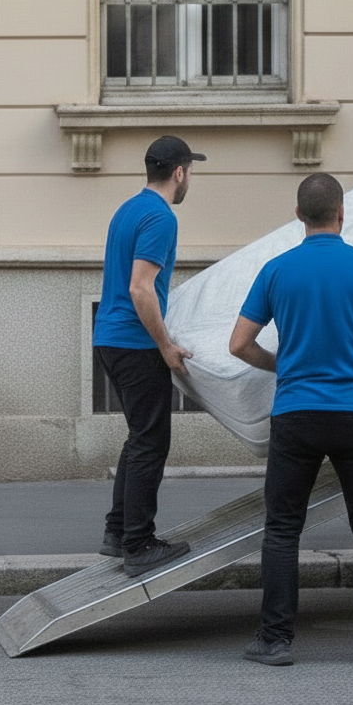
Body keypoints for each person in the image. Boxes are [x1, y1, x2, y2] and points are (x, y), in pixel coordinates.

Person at [229, 173, 353, 666]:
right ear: (342, 214)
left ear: (299, 216)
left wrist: (285, 363)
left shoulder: (276, 270)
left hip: (296, 412)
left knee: (283, 529)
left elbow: (238, 344)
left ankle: (274, 640)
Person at [93, 135, 206, 577]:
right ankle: (138, 545)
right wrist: (165, 345)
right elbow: (141, 287)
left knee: (139, 437)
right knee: (151, 442)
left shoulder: (128, 208)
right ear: (179, 172)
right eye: (190, 171)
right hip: (136, 343)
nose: (189, 179)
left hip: (110, 339)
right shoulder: (161, 217)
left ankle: (118, 532)